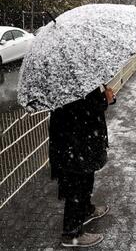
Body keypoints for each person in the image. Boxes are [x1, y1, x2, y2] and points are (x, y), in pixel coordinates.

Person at [49, 85, 115, 247]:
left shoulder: (77, 78)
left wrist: (103, 98)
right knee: (75, 185)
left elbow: (87, 105)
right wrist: (105, 99)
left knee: (85, 178)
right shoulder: (65, 84)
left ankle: (86, 209)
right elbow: (83, 109)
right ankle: (71, 233)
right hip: (74, 143)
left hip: (81, 142)